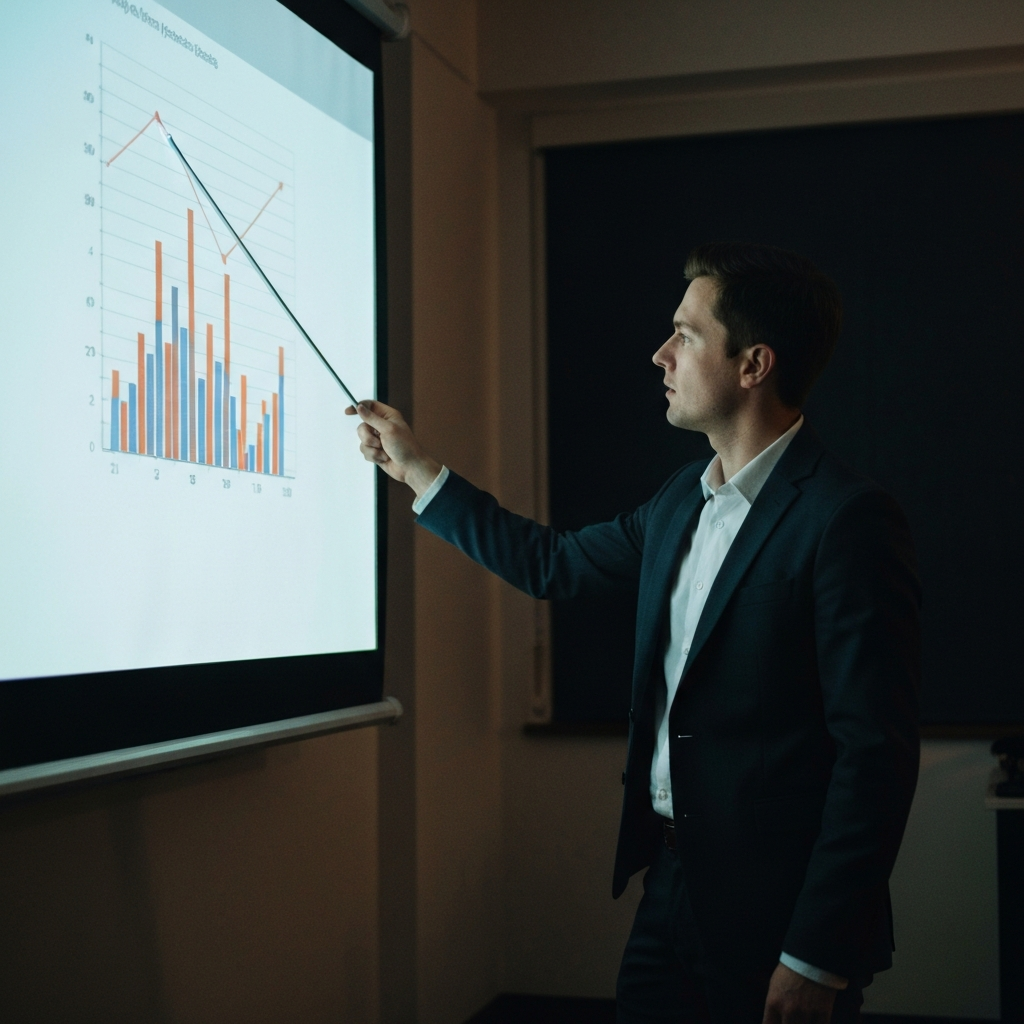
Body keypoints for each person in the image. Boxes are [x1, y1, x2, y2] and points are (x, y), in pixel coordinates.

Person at [347, 242, 921, 1024]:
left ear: (753, 365)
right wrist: (418, 471)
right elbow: (552, 564)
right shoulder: (679, 501)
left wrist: (815, 953)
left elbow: (874, 755)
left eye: (685, 334)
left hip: (779, 916)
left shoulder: (845, 519)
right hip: (669, 885)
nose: (660, 354)